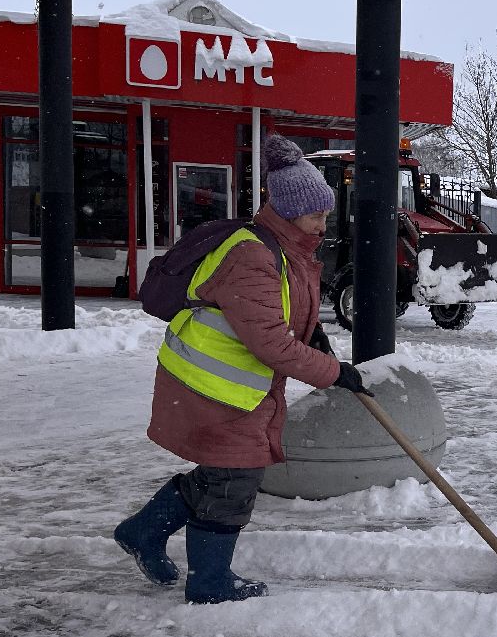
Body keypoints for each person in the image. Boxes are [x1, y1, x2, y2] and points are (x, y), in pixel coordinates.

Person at [114, 134, 370, 604]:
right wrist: (334, 371)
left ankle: (143, 532)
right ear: (291, 211)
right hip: (213, 386)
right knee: (234, 479)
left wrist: (314, 336)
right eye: (317, 215)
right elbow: (270, 341)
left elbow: (280, 313)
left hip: (235, 385)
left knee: (223, 475)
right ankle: (209, 583)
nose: (323, 224)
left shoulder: (285, 249)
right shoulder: (253, 254)